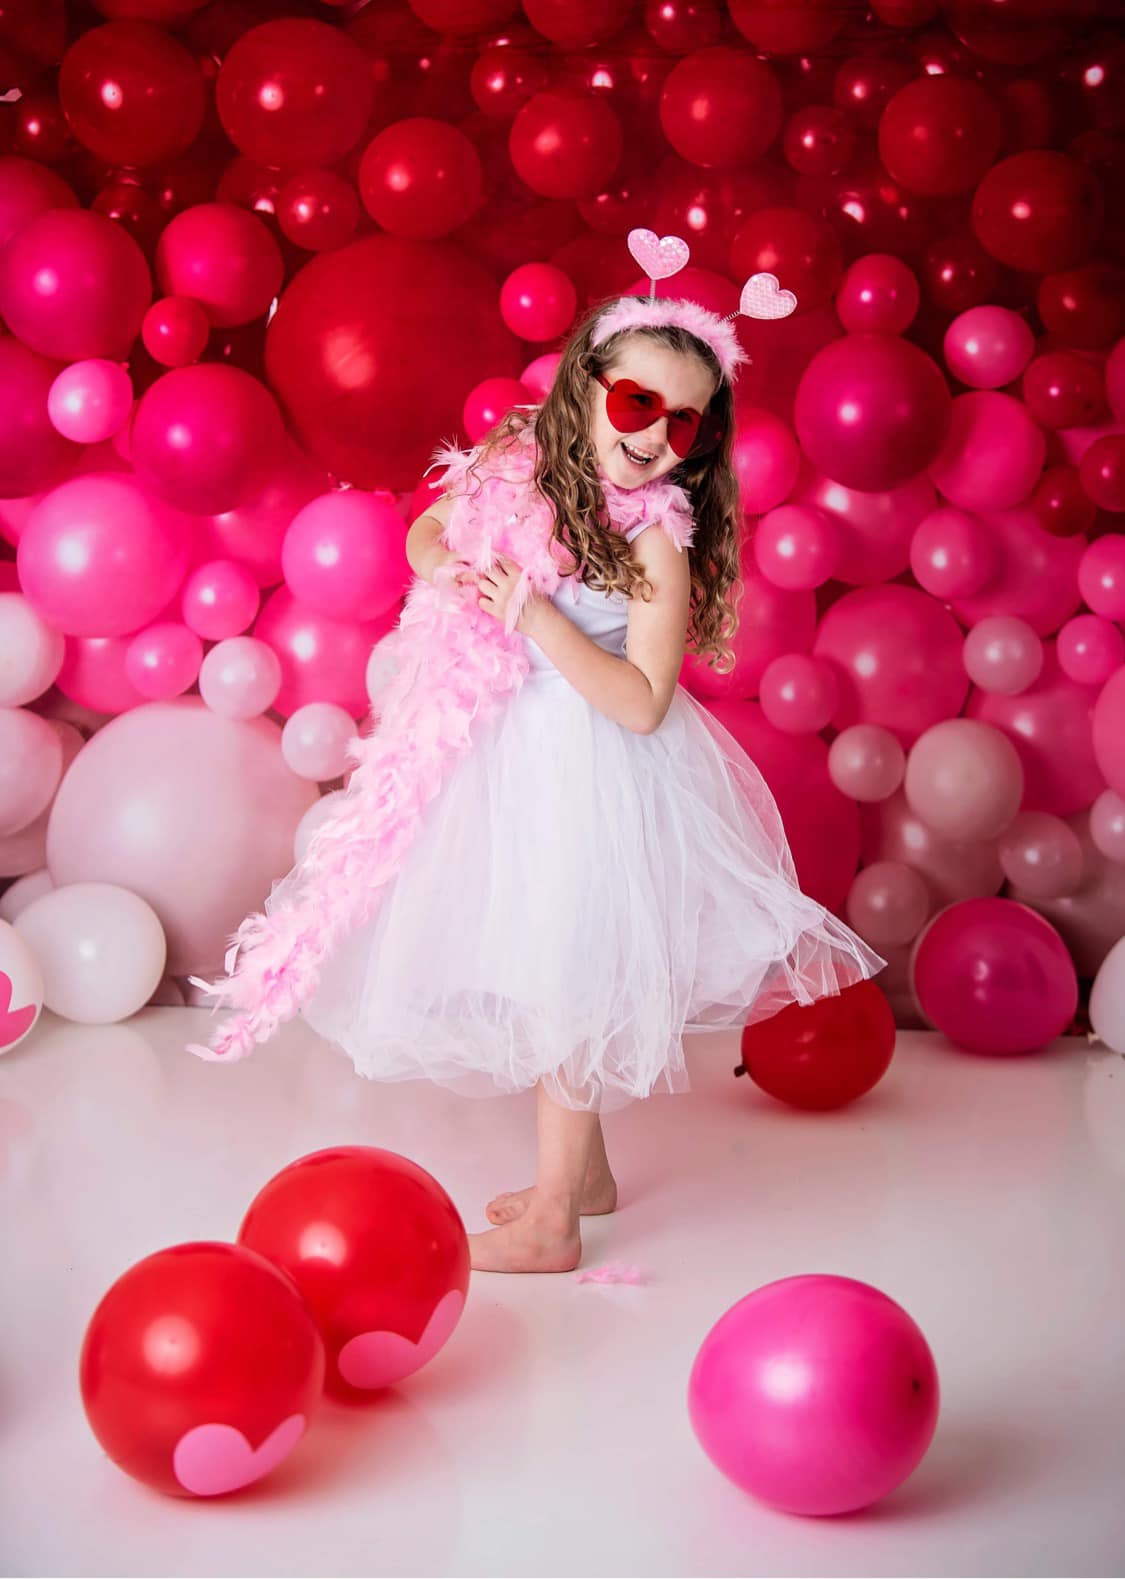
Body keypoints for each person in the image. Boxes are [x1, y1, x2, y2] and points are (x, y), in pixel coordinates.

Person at [190, 279, 887, 1277]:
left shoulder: (657, 539)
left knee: (566, 972)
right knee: (536, 959)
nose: (655, 435)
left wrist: (536, 617)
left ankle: (552, 1220)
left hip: (592, 763)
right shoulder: (518, 463)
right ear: (585, 387)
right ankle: (588, 1176)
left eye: (682, 421)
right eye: (637, 402)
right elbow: (431, 528)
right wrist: (449, 565)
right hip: (501, 749)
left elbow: (645, 699)